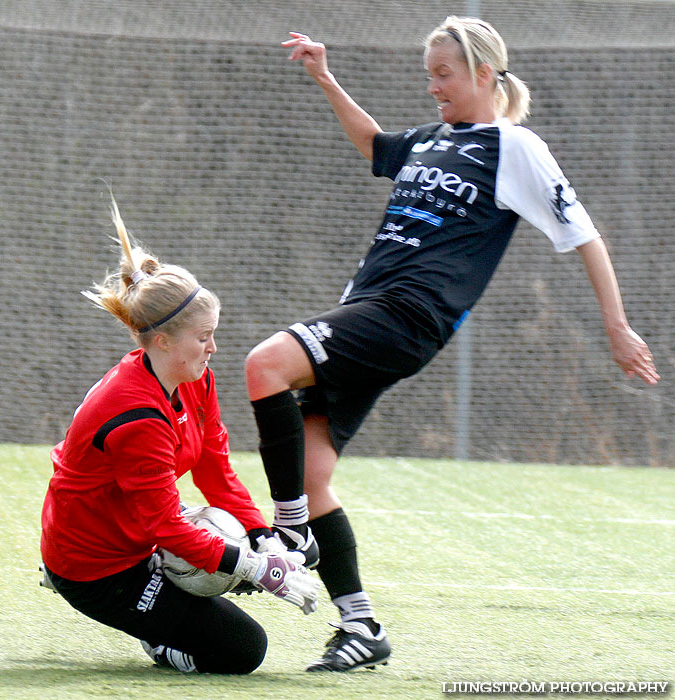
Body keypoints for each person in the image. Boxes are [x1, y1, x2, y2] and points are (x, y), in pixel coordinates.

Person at [244, 16, 660, 672]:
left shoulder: (514, 147)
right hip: (368, 310)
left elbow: (584, 235)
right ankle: (360, 626)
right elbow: (375, 146)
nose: (433, 86)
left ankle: (289, 530)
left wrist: (616, 325)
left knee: (264, 363)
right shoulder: (432, 139)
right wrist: (325, 76)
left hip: (409, 316)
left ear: (484, 75)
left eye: (444, 74)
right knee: (312, 472)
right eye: (428, 75)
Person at [40, 197, 318, 676]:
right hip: (97, 568)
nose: (214, 347)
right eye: (203, 336)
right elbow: (166, 526)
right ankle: (152, 636)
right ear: (163, 341)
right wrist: (256, 569)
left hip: (137, 535)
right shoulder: (136, 415)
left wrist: (262, 538)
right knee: (242, 650)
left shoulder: (194, 379)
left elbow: (215, 465)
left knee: (235, 548)